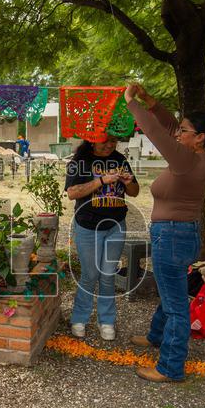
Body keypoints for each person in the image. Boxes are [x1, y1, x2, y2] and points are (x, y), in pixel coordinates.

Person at [124, 83, 205, 383]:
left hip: (172, 236)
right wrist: (149, 100)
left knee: (176, 306)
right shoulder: (193, 155)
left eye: (184, 131)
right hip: (175, 234)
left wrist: (132, 103)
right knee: (173, 292)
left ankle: (170, 367)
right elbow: (168, 127)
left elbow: (158, 134)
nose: (178, 133)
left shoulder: (187, 159)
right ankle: (157, 336)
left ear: (200, 138)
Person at [65, 134, 139, 340]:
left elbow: (134, 192)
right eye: (105, 140)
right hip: (88, 227)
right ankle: (79, 318)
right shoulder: (79, 162)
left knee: (108, 275)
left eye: (114, 141)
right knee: (90, 275)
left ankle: (106, 320)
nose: (110, 145)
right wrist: (102, 180)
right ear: (93, 139)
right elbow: (72, 192)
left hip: (115, 226)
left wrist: (128, 181)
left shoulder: (120, 160)